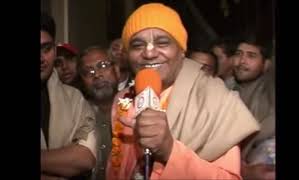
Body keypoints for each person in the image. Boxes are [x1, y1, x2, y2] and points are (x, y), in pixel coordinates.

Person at [105, 3, 260, 180]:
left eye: (162, 43)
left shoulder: (214, 99)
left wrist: (170, 150)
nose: (149, 53)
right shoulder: (122, 98)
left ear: (181, 51)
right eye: (137, 45)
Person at [41, 12, 96, 180]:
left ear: (54, 50)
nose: (41, 58)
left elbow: (85, 157)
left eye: (46, 49)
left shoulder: (74, 98)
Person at [232, 32, 275, 180]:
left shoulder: (268, 86)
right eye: (239, 54)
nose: (242, 61)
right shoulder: (228, 88)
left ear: (267, 64)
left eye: (251, 56)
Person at [78, 46, 119, 180]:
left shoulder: (135, 108)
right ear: (82, 81)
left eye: (102, 65)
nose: (96, 74)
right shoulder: (77, 113)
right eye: (88, 71)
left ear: (116, 69)